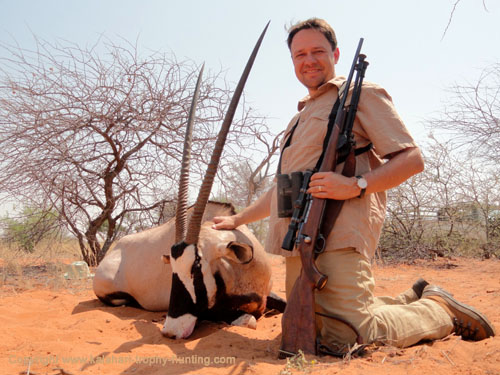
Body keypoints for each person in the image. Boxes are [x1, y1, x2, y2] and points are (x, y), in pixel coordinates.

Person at [212, 18, 495, 350]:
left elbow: (411, 159)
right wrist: (238, 219)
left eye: (318, 51)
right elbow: (284, 188)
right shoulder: (298, 118)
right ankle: (409, 298)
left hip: (340, 236)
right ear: (292, 62)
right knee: (303, 333)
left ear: (336, 53)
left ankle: (438, 309)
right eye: (300, 54)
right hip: (297, 244)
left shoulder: (361, 95)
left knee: (346, 338)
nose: (309, 60)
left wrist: (355, 185)